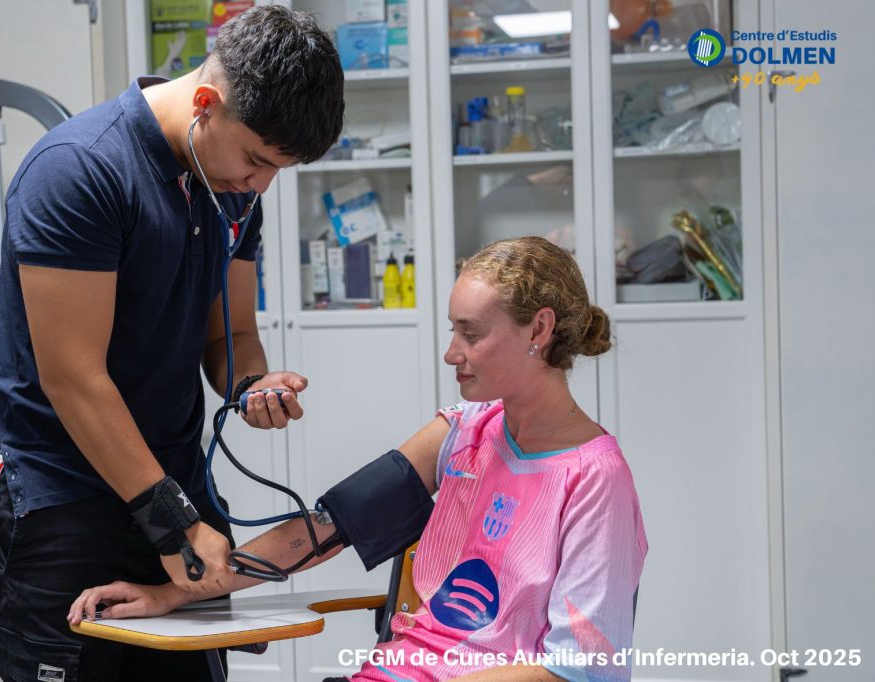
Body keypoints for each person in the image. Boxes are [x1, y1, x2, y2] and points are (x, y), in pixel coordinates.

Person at [69, 236, 649, 682]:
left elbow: (577, 669)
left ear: (539, 329)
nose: (452, 353)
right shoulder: (464, 432)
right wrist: (178, 593)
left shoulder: (595, 478)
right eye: (453, 331)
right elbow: (330, 526)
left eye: (471, 334)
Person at [0, 6, 344, 681]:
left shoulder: (229, 187)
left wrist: (251, 386)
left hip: (171, 490)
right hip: (61, 497)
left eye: (278, 169)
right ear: (206, 102)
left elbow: (232, 335)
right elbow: (73, 377)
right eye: (257, 160)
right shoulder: (79, 171)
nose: (259, 186)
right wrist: (174, 525)